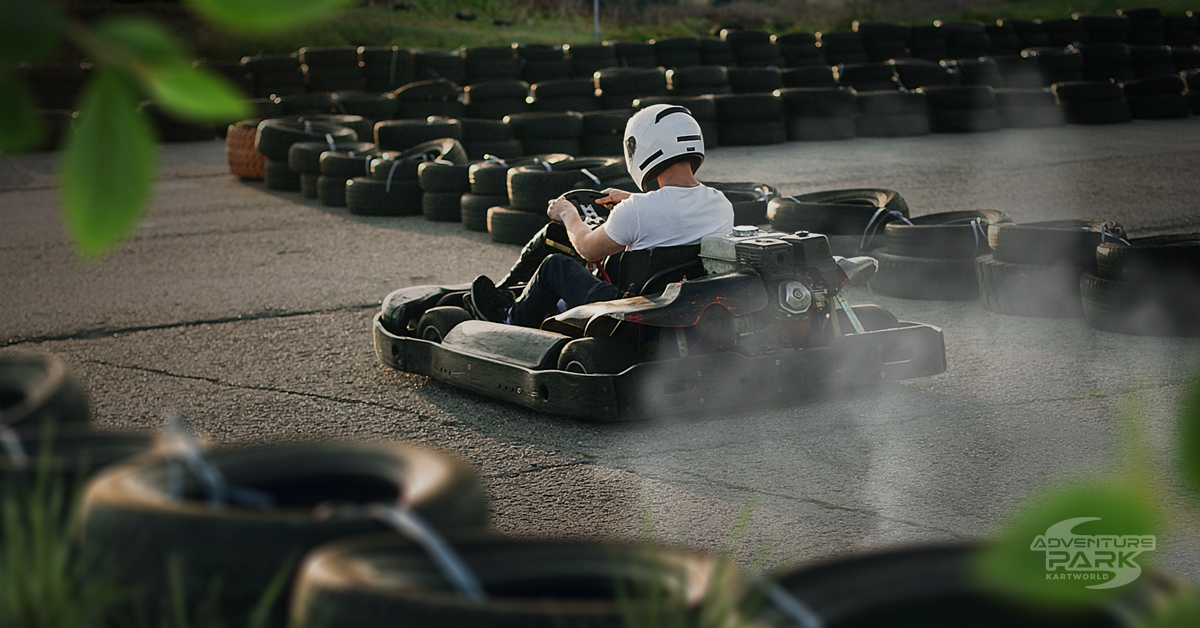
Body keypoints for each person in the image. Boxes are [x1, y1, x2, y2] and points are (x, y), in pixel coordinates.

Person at [468, 104, 734, 328]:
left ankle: (510, 317)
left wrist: (568, 213)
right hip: (684, 304)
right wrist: (631, 198)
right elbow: (674, 211)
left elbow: (587, 249)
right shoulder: (720, 203)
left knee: (555, 265)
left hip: (629, 311)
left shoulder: (637, 211)